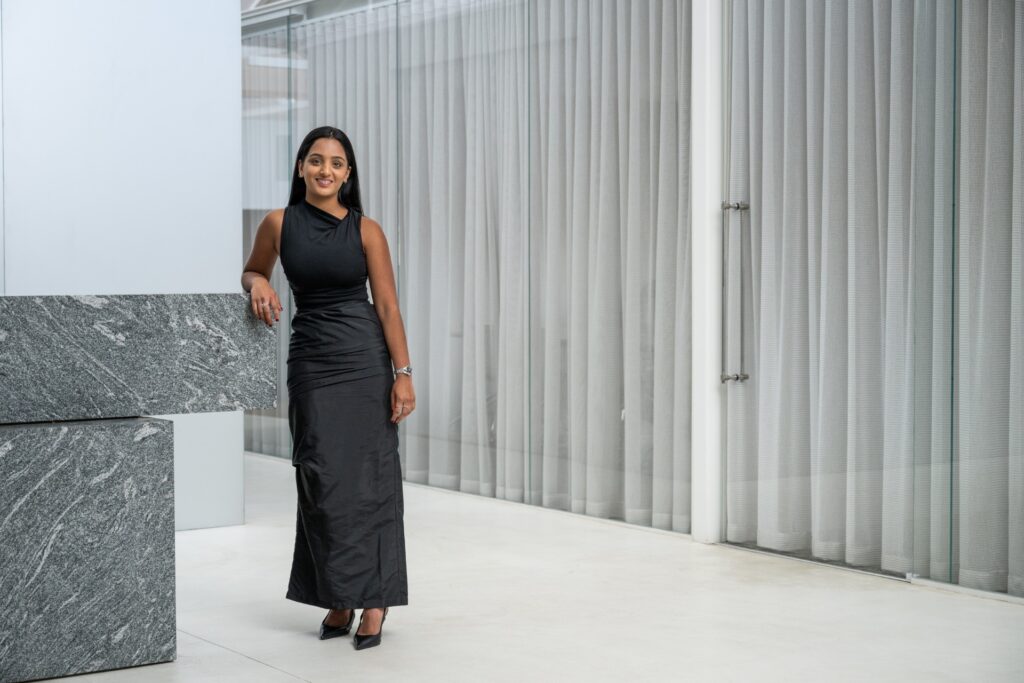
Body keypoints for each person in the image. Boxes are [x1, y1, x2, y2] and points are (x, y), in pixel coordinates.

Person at [241, 126, 414, 650]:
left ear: (347, 174)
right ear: (300, 168)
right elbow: (252, 271)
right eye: (315, 161)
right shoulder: (278, 223)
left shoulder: (367, 231)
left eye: (336, 164)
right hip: (312, 364)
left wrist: (403, 375)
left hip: (364, 362)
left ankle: (376, 601)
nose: (325, 170)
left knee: (372, 480)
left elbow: (386, 306)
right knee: (320, 481)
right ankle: (338, 598)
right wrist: (260, 282)